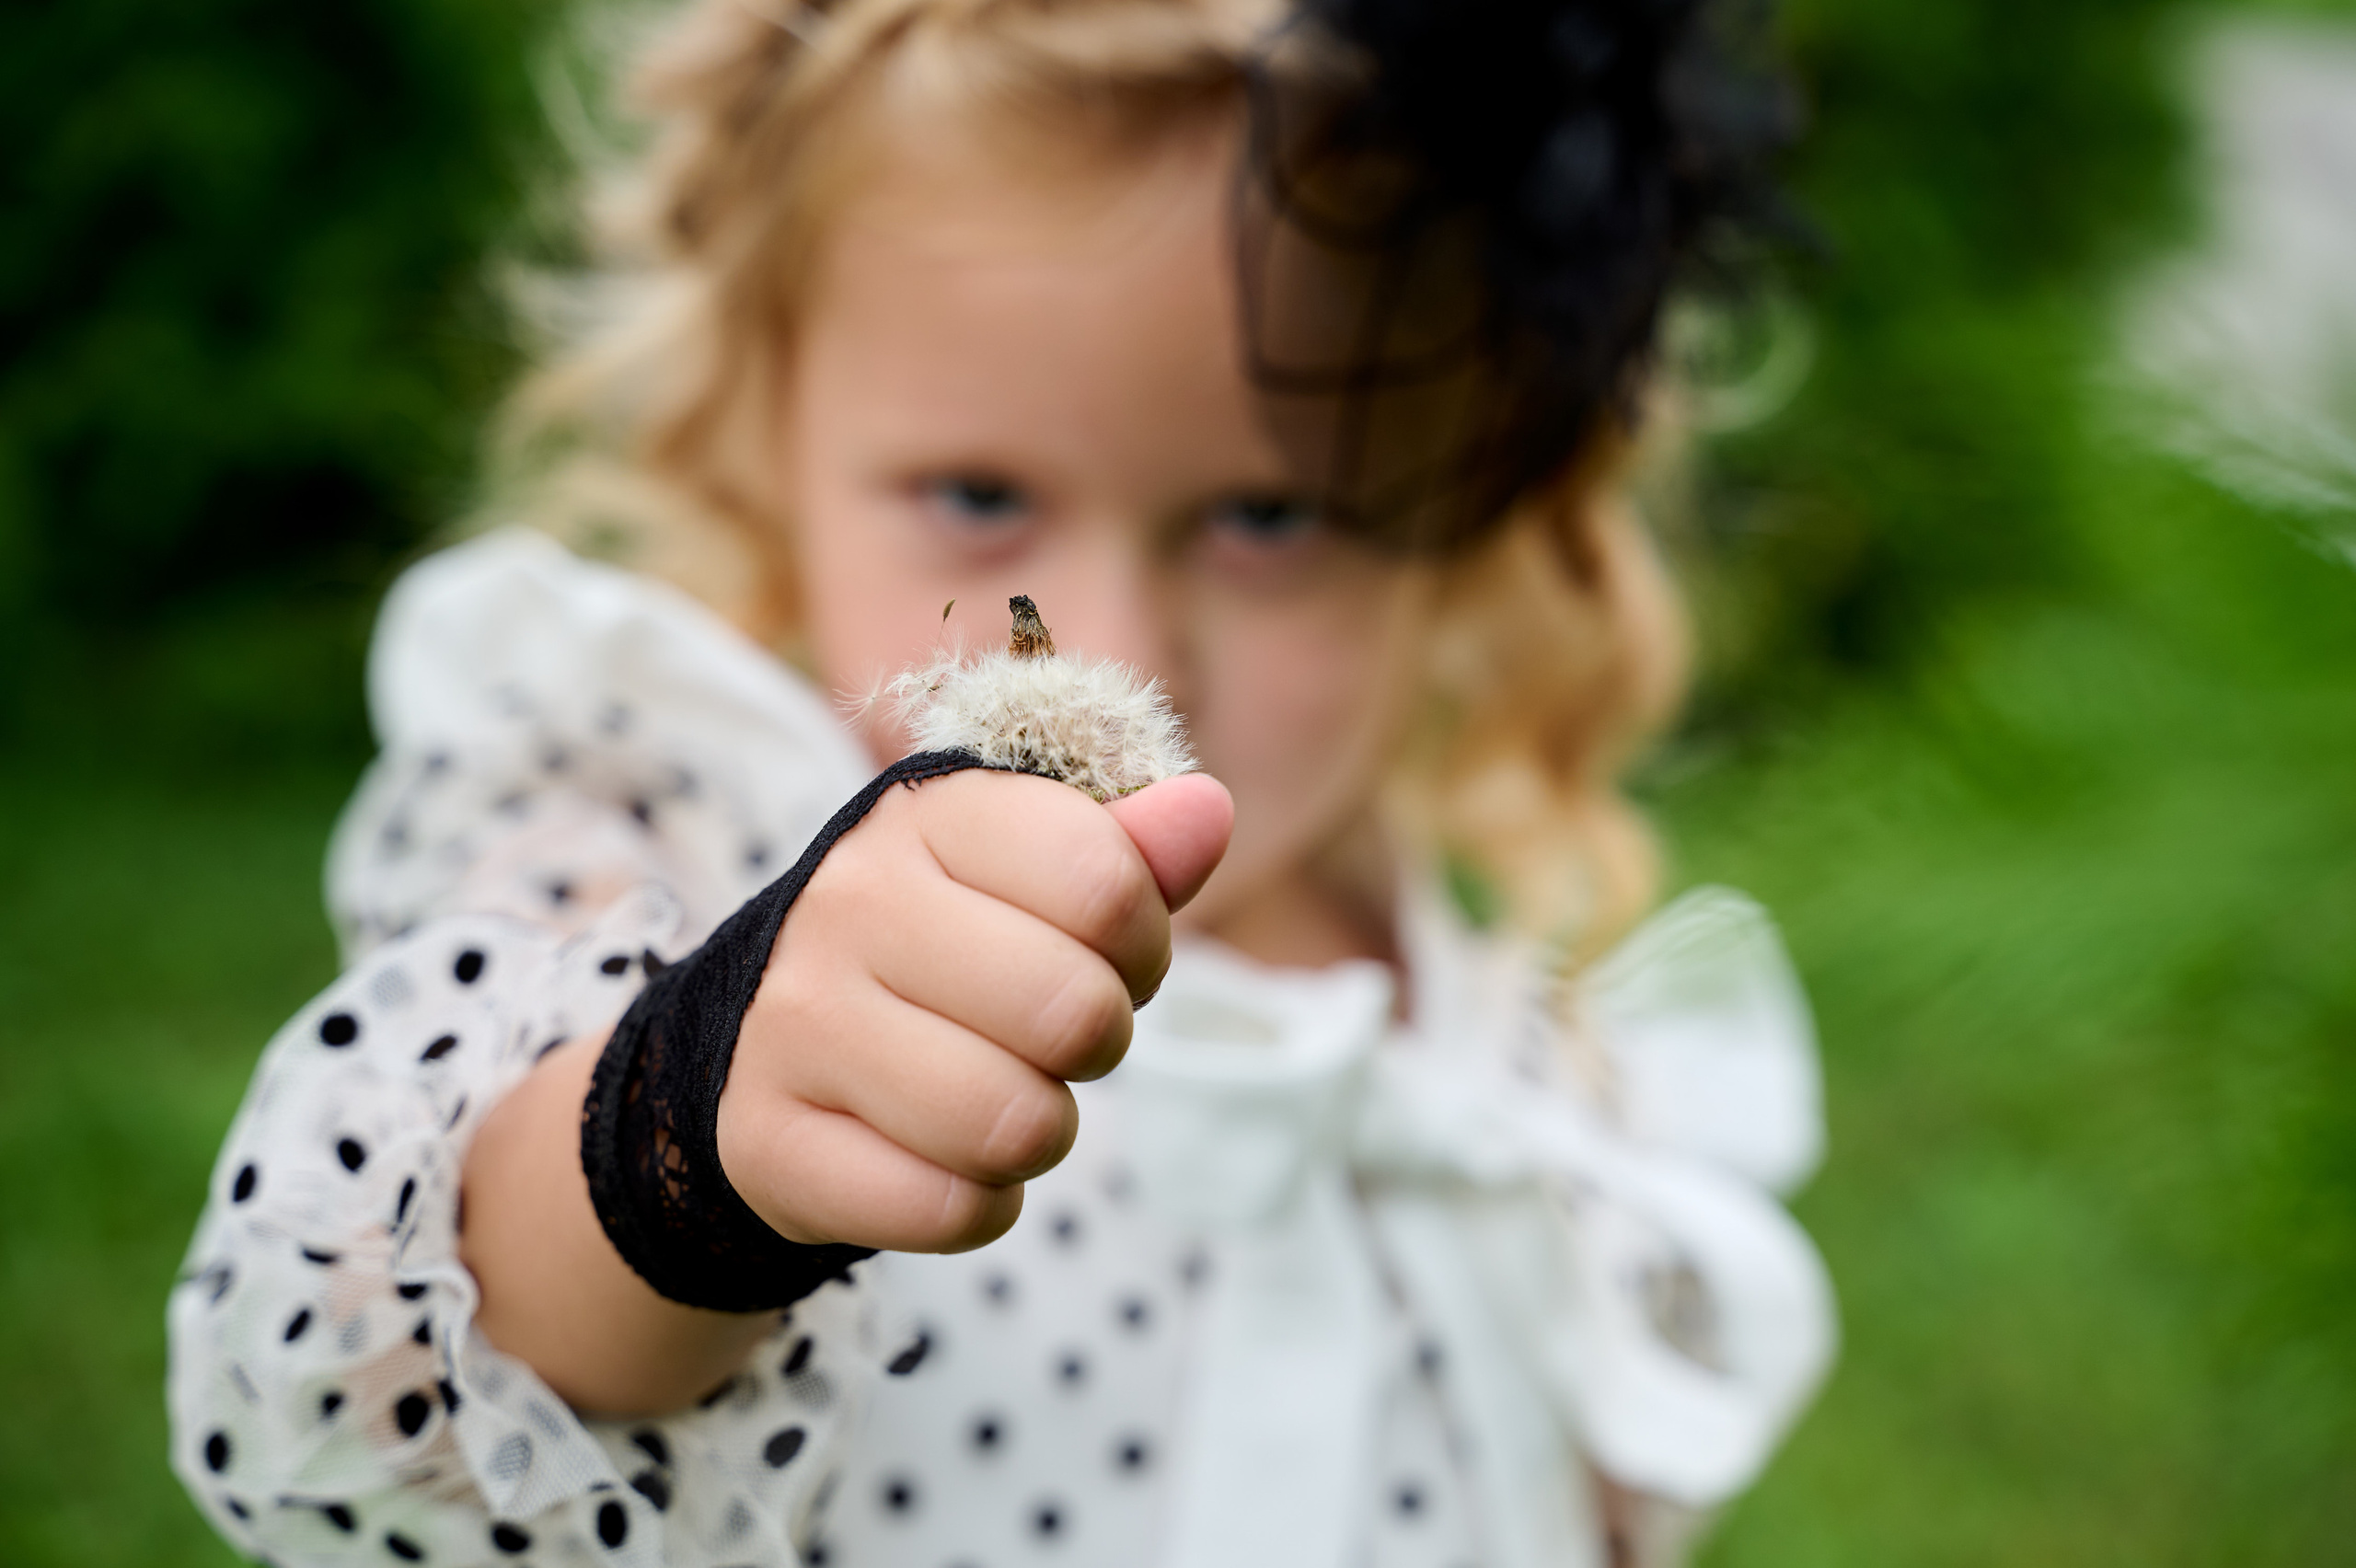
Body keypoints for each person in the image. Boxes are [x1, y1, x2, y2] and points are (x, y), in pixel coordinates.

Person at [166, 1, 1835, 1565]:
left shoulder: (1503, 1059)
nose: (1105, 646)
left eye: (1270, 519)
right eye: (976, 495)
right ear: (767, 429)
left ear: (1463, 523)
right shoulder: (660, 843)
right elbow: (346, 1361)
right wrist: (691, 1135)